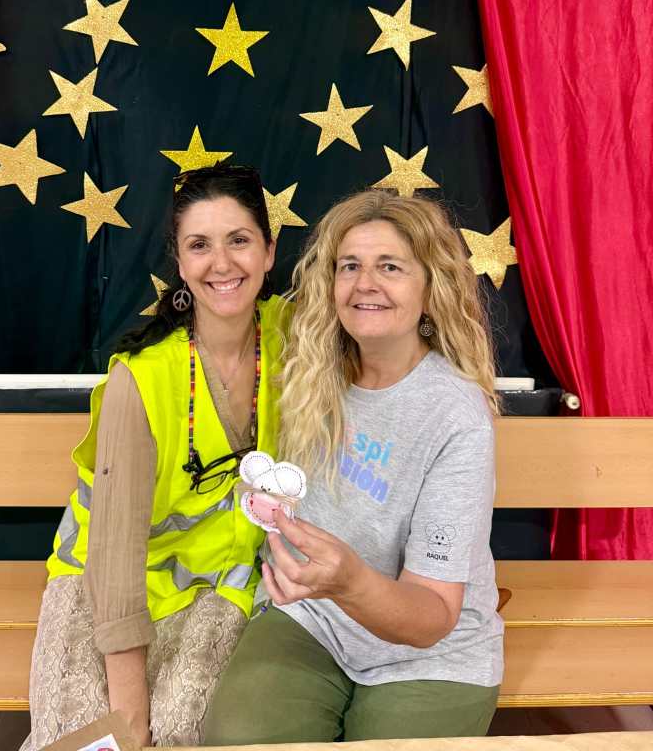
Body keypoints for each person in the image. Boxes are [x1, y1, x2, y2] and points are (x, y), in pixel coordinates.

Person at [203, 190, 504, 743]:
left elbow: (434, 616)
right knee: (236, 740)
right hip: (312, 618)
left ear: (430, 289)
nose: (365, 283)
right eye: (349, 266)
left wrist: (350, 581)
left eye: (390, 267)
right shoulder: (309, 371)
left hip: (429, 655)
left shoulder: (456, 415)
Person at [21, 165, 288, 750]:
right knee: (92, 739)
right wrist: (129, 715)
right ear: (181, 263)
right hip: (103, 583)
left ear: (269, 252)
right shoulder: (141, 377)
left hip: (221, 583)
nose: (222, 263)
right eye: (200, 245)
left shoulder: (297, 340)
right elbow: (114, 555)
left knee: (184, 730)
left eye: (239, 240)